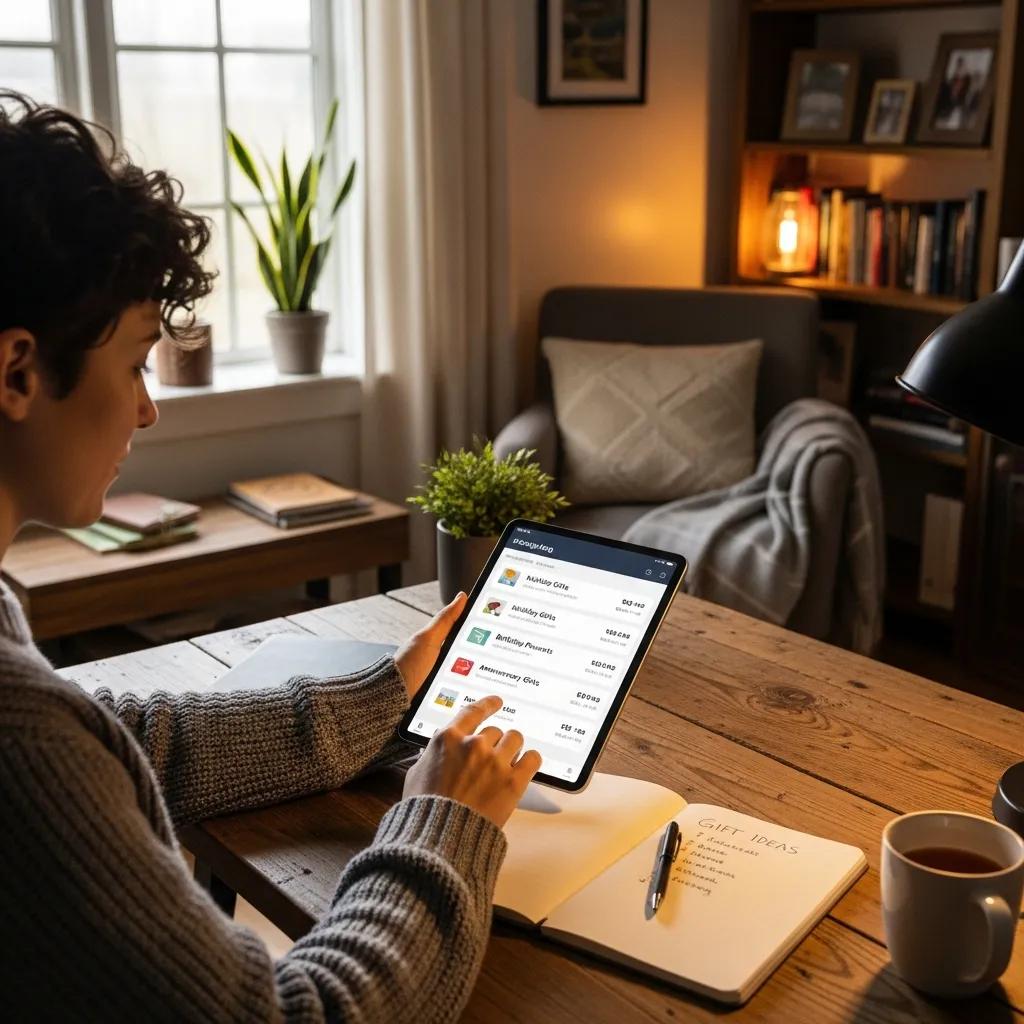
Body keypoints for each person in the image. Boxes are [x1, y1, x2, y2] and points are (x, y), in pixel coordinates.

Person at [0, 91, 541, 1022]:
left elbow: (118, 741)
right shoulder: (20, 739)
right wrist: (445, 821)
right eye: (135, 364)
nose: (147, 409)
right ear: (17, 373)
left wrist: (380, 699)